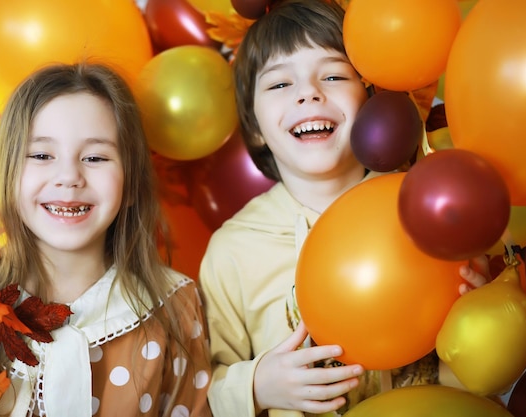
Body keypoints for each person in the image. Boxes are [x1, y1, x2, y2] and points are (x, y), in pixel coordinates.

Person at [198, 1, 490, 416]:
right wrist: (257, 386)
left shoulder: (427, 213)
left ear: (370, 99)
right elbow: (202, 384)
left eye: (333, 75)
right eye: (280, 85)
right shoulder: (232, 251)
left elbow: (472, 380)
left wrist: (476, 319)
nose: (308, 93)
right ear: (255, 125)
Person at [0, 62, 212, 416]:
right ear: (8, 174)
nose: (69, 177)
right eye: (42, 155)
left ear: (132, 183)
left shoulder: (174, 304)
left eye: (95, 157)